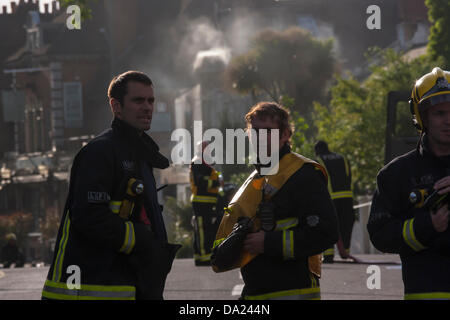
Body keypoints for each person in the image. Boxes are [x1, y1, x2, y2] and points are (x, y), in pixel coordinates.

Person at [41, 71, 180, 300]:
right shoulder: (99, 153)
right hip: (94, 288)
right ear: (116, 106)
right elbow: (89, 217)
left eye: (151, 100)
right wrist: (141, 239)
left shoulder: (139, 154)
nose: (147, 107)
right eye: (138, 100)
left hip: (129, 284)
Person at [211, 101, 338, 300]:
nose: (260, 138)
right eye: (255, 131)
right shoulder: (253, 180)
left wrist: (268, 243)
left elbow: (326, 232)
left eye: (268, 131)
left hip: (294, 291)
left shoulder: (303, 174)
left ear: (286, 134)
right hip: (255, 293)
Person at [367, 67, 450, 300]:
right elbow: (380, 234)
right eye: (440, 113)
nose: (448, 121)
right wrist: (427, 226)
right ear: (421, 117)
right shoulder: (396, 174)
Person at [314, 141, 354, 263]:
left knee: (327, 224)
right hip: (347, 197)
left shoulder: (319, 160)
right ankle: (345, 252)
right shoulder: (342, 158)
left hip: (330, 198)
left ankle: (329, 254)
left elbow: (318, 181)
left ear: (317, 150)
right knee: (346, 224)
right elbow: (350, 176)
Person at [189, 141, 223, 266]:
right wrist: (216, 183)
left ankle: (201, 256)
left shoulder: (204, 162)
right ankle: (204, 257)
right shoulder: (198, 162)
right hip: (201, 202)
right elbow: (201, 182)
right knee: (203, 230)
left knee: (205, 229)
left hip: (207, 203)